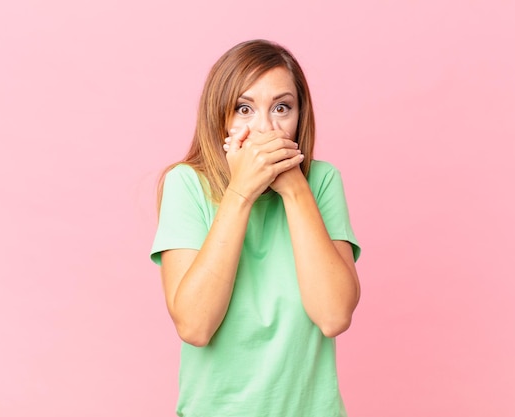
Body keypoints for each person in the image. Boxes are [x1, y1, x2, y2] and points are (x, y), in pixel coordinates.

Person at [150, 39, 361, 417]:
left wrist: (295, 188)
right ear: (221, 117)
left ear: (300, 116)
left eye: (282, 108)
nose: (265, 128)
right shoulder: (185, 185)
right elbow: (195, 327)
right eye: (244, 109)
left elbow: (333, 316)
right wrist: (241, 191)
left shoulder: (322, 182)